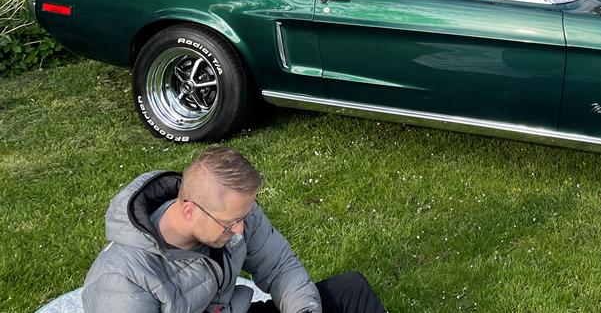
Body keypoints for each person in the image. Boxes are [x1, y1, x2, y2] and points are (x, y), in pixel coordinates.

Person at [82, 146, 386, 313]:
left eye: (243, 217)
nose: (240, 230)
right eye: (229, 224)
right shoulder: (120, 280)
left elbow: (279, 265)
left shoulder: (233, 213)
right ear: (190, 210)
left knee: (350, 290)